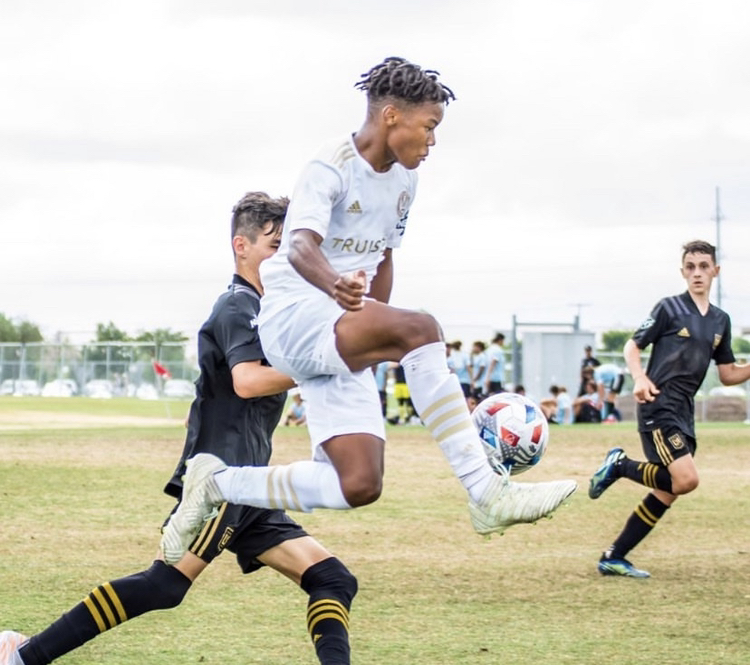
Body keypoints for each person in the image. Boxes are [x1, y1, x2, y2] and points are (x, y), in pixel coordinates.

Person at [0, 192, 410, 665]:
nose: (284, 255)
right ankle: (18, 661)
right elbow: (247, 381)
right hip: (217, 479)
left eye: (290, 244)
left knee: (332, 578)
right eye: (273, 244)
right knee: (164, 586)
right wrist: (322, 364)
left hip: (252, 483)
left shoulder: (280, 309)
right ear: (241, 247)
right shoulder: (238, 306)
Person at [160, 56, 576, 563]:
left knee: (358, 483)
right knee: (422, 328)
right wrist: (344, 293)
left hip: (340, 325)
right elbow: (299, 248)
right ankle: (486, 491)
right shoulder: (329, 165)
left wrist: (377, 321)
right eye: (430, 126)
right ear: (391, 117)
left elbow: (383, 258)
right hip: (293, 318)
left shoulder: (405, 181)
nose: (433, 140)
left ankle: (219, 483)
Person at [588, 240, 750, 578]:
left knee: (668, 489)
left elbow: (728, 373)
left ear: (715, 271)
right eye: (690, 267)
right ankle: (619, 465)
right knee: (686, 479)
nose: (697, 273)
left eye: (704, 266)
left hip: (684, 412)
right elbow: (633, 346)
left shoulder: (721, 321)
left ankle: (614, 556)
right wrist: (639, 377)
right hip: (657, 404)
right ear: (682, 272)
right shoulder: (669, 308)